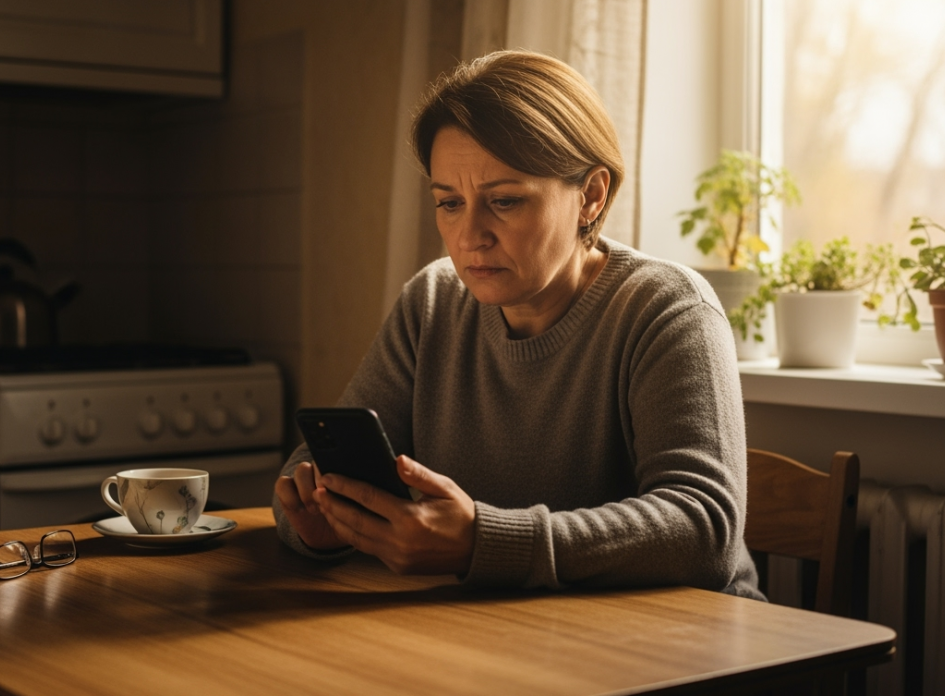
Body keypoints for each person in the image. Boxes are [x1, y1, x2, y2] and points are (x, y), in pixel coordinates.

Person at [272, 50, 763, 597]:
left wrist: (483, 543)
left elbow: (704, 534)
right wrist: (324, 525)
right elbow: (308, 468)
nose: (469, 237)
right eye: (449, 203)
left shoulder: (667, 310)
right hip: (503, 627)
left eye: (504, 201)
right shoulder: (432, 302)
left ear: (591, 196)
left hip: (685, 640)